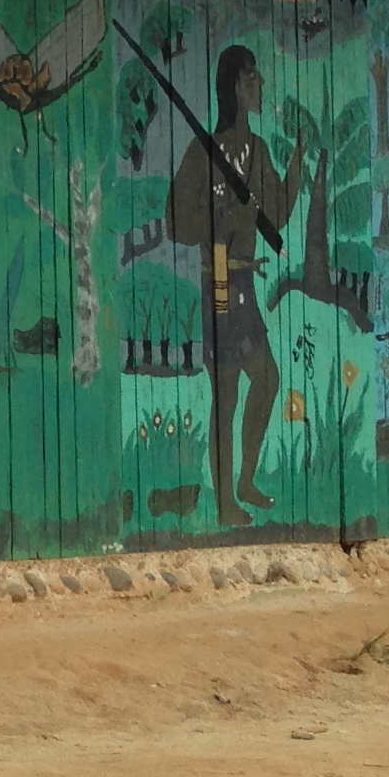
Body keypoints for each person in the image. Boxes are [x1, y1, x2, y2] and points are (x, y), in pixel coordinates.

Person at [166, 43, 304, 527]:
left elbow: (276, 215)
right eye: (251, 76)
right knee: (225, 393)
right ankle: (225, 502)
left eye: (258, 76)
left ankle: (244, 481)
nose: (259, 84)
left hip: (243, 282)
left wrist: (297, 165)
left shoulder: (257, 151)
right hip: (219, 282)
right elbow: (176, 223)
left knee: (266, 380)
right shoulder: (204, 152)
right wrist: (224, 217)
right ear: (233, 87)